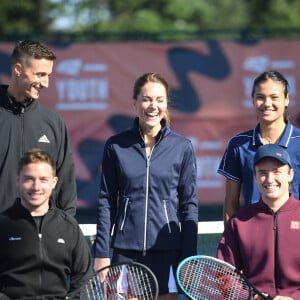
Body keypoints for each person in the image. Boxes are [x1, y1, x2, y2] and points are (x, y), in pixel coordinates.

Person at [92, 72, 199, 300]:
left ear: (166, 103)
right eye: (146, 99)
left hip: (168, 253)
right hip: (125, 252)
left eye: (159, 100)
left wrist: (189, 256)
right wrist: (101, 252)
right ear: (135, 102)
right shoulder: (116, 146)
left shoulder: (182, 147)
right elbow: (106, 201)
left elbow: (189, 205)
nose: (153, 106)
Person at [0, 148, 92, 299]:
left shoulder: (69, 227)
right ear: (18, 180)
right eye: (29, 179)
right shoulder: (3, 225)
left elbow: (84, 279)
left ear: (54, 182)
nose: (36, 187)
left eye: (43, 179)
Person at [0, 40, 76, 216]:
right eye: (40, 74)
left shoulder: (53, 121)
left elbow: (65, 182)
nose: (46, 83)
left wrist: (66, 226)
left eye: (48, 75)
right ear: (18, 70)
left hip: (39, 234)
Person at [217, 144, 300, 299]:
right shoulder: (238, 222)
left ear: (290, 174)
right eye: (262, 172)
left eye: (277, 171)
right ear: (255, 176)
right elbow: (225, 275)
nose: (269, 179)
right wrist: (249, 296)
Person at [217, 70, 300, 222]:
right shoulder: (238, 145)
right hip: (253, 236)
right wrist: (230, 242)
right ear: (253, 100)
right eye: (260, 97)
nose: (267, 103)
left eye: (274, 97)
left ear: (287, 99)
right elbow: (231, 203)